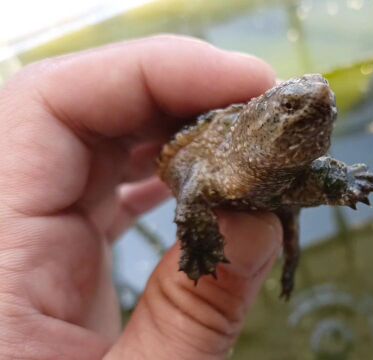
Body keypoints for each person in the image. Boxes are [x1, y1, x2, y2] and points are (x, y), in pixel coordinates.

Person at [0, 35, 282, 359]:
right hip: (202, 158)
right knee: (197, 196)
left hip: (263, 186)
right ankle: (201, 251)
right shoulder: (226, 149)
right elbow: (193, 193)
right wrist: (203, 250)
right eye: (288, 106)